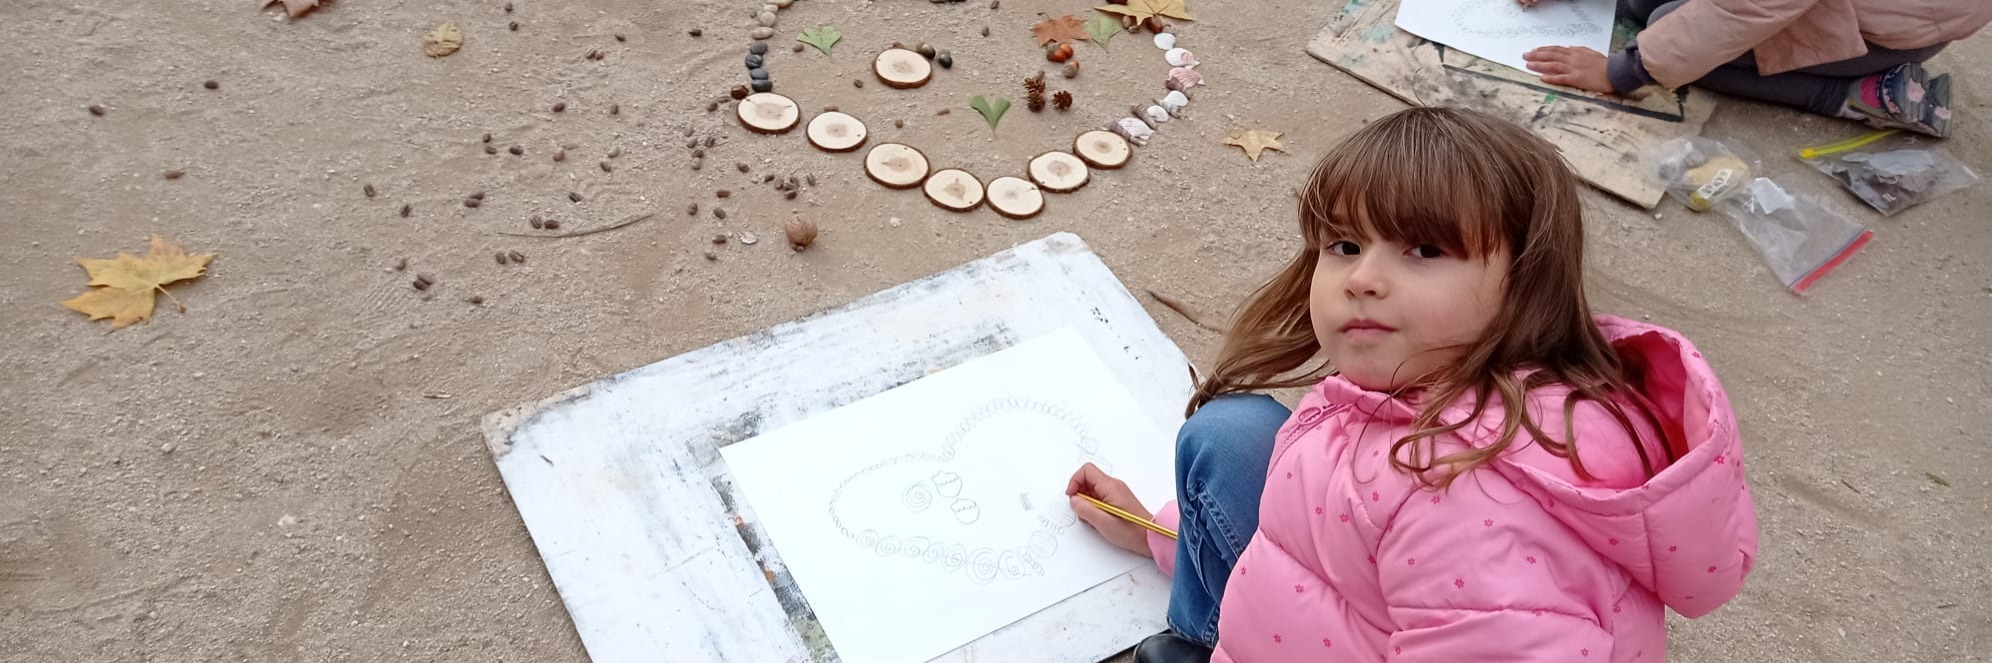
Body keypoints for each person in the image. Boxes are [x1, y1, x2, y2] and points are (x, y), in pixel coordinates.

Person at [1065, 107, 1760, 663]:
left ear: (1526, 285)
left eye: (1424, 249)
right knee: (1229, 432)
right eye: (1343, 245)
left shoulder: (1470, 512)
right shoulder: (1415, 386)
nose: (1361, 276)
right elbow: (1301, 539)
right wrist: (1162, 534)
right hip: (1326, 620)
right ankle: (1203, 620)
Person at [1520, 0, 1992, 138]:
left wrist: (1622, 73)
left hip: (1877, 31)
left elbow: (1740, 11)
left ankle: (1851, 94)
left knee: (1670, 33)